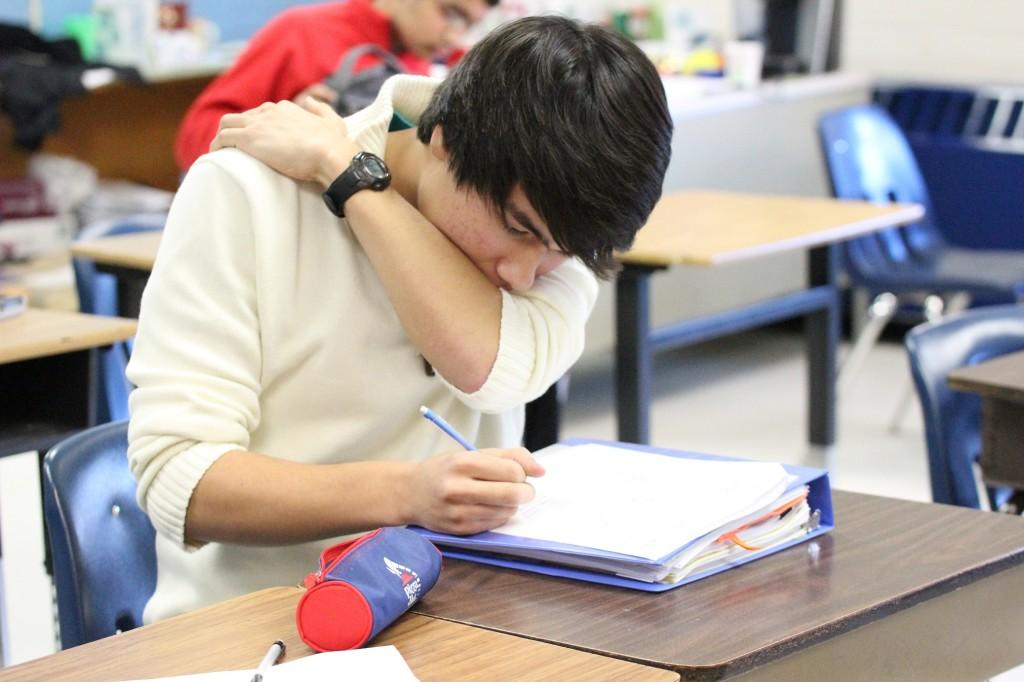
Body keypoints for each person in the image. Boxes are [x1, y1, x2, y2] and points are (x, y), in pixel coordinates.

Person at [128, 15, 673, 622]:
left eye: (558, 251)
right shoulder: (247, 194)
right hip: (265, 629)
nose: (524, 275)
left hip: (465, 621)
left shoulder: (563, 233)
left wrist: (353, 181)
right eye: (517, 229)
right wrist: (405, 495)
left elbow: (492, 371)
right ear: (443, 142)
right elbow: (180, 482)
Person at [174, 0, 497, 171]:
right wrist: (277, 123)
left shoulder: (453, 64)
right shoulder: (301, 32)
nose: (453, 35)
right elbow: (194, 137)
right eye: (450, 12)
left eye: (468, 23)